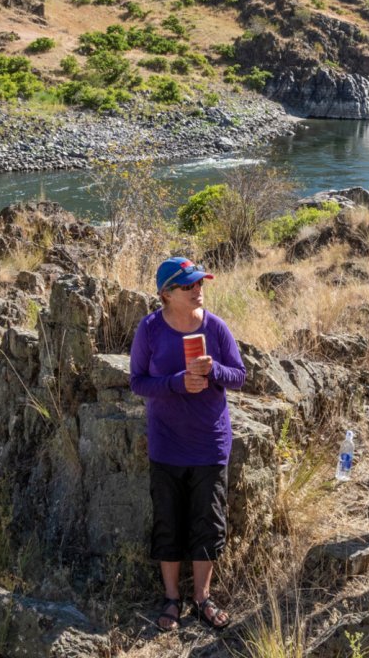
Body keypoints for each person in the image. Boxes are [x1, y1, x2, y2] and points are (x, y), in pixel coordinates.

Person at [129, 257, 246, 632]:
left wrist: (213, 372)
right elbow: (137, 382)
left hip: (209, 445)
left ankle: (203, 598)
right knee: (169, 523)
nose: (198, 289)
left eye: (200, 283)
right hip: (166, 446)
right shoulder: (149, 329)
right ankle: (171, 599)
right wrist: (177, 382)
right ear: (165, 294)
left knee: (207, 524)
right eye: (188, 285)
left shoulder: (216, 327)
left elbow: (240, 376)